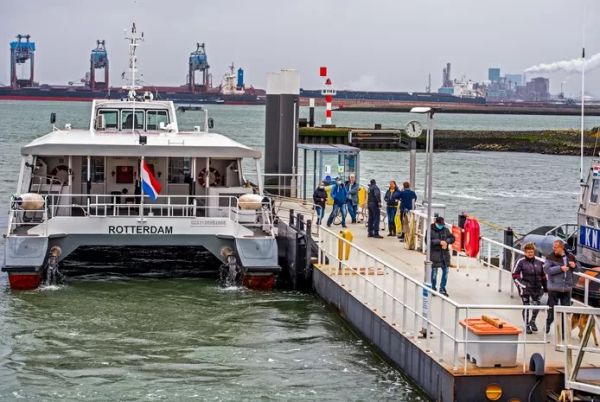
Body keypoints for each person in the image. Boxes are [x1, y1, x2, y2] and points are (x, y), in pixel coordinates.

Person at [544, 239, 579, 334]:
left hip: (567, 288)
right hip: (554, 287)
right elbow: (546, 270)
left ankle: (563, 333)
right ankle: (548, 323)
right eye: (553, 247)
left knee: (566, 311)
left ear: (562, 247)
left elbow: (578, 268)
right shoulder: (550, 257)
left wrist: (574, 265)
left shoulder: (571, 256)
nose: (553, 249)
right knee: (551, 309)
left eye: (555, 247)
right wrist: (560, 268)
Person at [512, 243, 547, 334]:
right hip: (525, 288)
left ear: (534, 252)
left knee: (537, 305)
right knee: (527, 306)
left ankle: (533, 321)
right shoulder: (521, 262)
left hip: (537, 288)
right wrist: (523, 285)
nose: (530, 254)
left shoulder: (539, 262)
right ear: (525, 252)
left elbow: (543, 276)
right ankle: (526, 325)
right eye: (528, 252)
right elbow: (515, 275)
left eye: (531, 252)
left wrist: (546, 288)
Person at [428, 216, 454, 296]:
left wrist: (446, 242)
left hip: (444, 255)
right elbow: (428, 241)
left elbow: (452, 238)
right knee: (434, 272)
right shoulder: (430, 230)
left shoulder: (445, 230)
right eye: (440, 224)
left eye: (442, 224)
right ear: (436, 223)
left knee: (445, 272)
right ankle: (433, 287)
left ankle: (442, 288)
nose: (441, 226)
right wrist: (439, 242)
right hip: (435, 254)